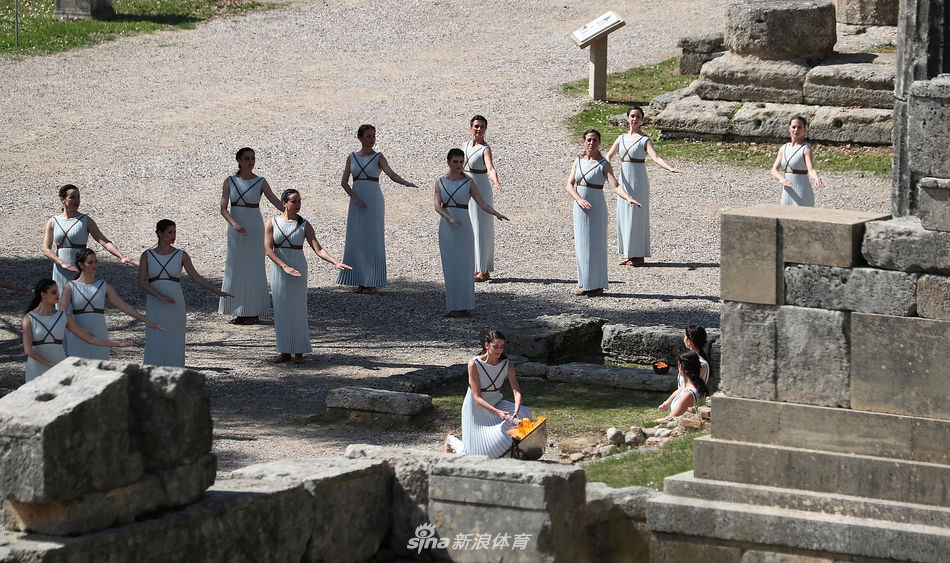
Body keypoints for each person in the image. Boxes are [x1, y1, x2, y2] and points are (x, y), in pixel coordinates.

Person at [265, 189, 350, 364]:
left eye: (299, 201)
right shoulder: (272, 223)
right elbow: (267, 249)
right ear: (284, 203)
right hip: (280, 269)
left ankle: (299, 351)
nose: (298, 205)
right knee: (281, 309)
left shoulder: (304, 225)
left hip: (298, 267)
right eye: (294, 201)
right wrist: (284, 266)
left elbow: (318, 249)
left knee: (297, 309)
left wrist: (335, 262)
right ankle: (284, 350)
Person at [138, 220, 232, 368]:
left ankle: (175, 368)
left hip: (175, 302)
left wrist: (216, 290)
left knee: (174, 335)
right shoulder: (147, 255)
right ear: (159, 233)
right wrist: (158, 295)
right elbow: (142, 281)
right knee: (155, 335)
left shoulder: (181, 255)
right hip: (155, 302)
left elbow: (197, 277)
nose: (173, 236)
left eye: (175, 232)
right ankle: (152, 368)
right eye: (170, 232)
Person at [337, 125, 417, 295]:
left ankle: (372, 281)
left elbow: (392, 175)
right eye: (368, 136)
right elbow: (344, 182)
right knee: (356, 238)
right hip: (357, 201)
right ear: (360, 138)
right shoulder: (351, 157)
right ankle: (358, 280)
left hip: (373, 200)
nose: (372, 139)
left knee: (373, 237)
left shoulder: (378, 157)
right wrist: (355, 197)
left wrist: (405, 182)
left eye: (374, 136)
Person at [435, 148, 509, 318]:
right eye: (455, 161)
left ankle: (465, 306)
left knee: (464, 266)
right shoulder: (440, 182)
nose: (459, 165)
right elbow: (437, 206)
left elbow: (482, 203)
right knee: (450, 267)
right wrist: (449, 217)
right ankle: (453, 306)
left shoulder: (469, 183)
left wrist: (496, 213)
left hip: (464, 227)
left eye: (461, 162)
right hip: (447, 227)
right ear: (448, 162)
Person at [566, 129, 640, 297]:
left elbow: (615, 185)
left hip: (597, 207)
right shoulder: (577, 161)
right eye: (588, 140)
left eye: (594, 140)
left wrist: (628, 198)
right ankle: (585, 283)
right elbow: (569, 185)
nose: (591, 143)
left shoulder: (603, 164)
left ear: (599, 142)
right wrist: (578, 199)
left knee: (596, 246)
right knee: (582, 246)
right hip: (580, 208)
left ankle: (597, 285)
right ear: (584, 141)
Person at [606, 106, 681, 266]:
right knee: (625, 215)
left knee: (637, 216)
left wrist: (669, 167)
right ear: (627, 118)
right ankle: (629, 253)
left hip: (638, 181)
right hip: (625, 181)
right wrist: (604, 169)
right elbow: (608, 156)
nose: (635, 119)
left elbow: (656, 157)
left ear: (642, 120)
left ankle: (639, 255)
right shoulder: (620, 138)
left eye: (638, 116)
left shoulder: (645, 139)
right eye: (632, 116)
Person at [22, 279, 136, 383]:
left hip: (59, 365)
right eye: (53, 292)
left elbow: (89, 339)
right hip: (37, 367)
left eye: (57, 291)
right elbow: (28, 350)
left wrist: (118, 344)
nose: (58, 295)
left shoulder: (63, 317)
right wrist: (51, 364)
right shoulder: (29, 319)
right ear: (43, 295)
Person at [218, 147, 283, 325]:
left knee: (254, 267)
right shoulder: (229, 181)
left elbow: (276, 201)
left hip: (254, 226)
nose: (251, 162)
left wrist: (290, 211)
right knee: (236, 266)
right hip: (236, 227)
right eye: (247, 158)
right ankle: (239, 310)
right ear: (239, 160)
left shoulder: (260, 181)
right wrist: (235, 224)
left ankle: (253, 312)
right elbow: (223, 209)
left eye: (253, 158)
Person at [60, 249, 163, 360]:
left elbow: (124, 306)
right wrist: (79, 329)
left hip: (99, 332)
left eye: (96, 261)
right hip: (78, 334)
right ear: (80, 264)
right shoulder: (70, 287)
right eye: (90, 262)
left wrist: (146, 321)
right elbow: (62, 314)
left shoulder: (103, 286)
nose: (94, 265)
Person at [445, 330, 531, 457]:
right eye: (495, 347)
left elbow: (516, 392)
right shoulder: (474, 364)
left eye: (501, 347)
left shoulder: (507, 365)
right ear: (487, 346)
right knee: (476, 454)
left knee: (525, 415)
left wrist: (516, 411)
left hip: (496, 402)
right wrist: (498, 412)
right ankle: (450, 441)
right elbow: (477, 398)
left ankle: (510, 452)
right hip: (476, 409)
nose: (499, 350)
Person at [42, 184, 137, 295]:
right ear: (63, 199)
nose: (77, 201)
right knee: (61, 300)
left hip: (81, 267)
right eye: (72, 197)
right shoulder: (53, 221)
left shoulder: (85, 220)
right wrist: (61, 263)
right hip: (61, 269)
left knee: (81, 299)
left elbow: (104, 241)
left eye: (78, 197)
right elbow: (46, 249)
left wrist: (121, 256)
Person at [464, 115, 505, 283]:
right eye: (476, 126)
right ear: (471, 128)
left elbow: (490, 168)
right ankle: (475, 266)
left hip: (481, 188)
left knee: (481, 227)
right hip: (465, 188)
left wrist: (496, 182)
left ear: (485, 129)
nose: (479, 129)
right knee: (470, 226)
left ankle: (484, 269)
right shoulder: (465, 145)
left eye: (482, 127)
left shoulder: (485, 149)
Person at [771, 115, 825, 206]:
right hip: (787, 191)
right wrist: (781, 178)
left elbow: (811, 169)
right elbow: (774, 170)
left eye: (799, 127)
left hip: (802, 190)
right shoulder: (783, 148)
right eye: (794, 127)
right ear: (789, 128)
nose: (796, 130)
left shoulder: (805, 148)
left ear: (804, 130)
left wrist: (816, 178)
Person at [659, 325, 714, 408]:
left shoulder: (700, 365)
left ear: (689, 341)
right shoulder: (697, 361)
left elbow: (686, 386)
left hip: (689, 403)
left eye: (684, 337)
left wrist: (668, 402)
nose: (683, 339)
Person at [658, 351, 710, 416]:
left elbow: (670, 419)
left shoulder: (688, 395)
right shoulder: (693, 385)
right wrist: (666, 403)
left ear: (681, 367)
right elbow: (679, 389)